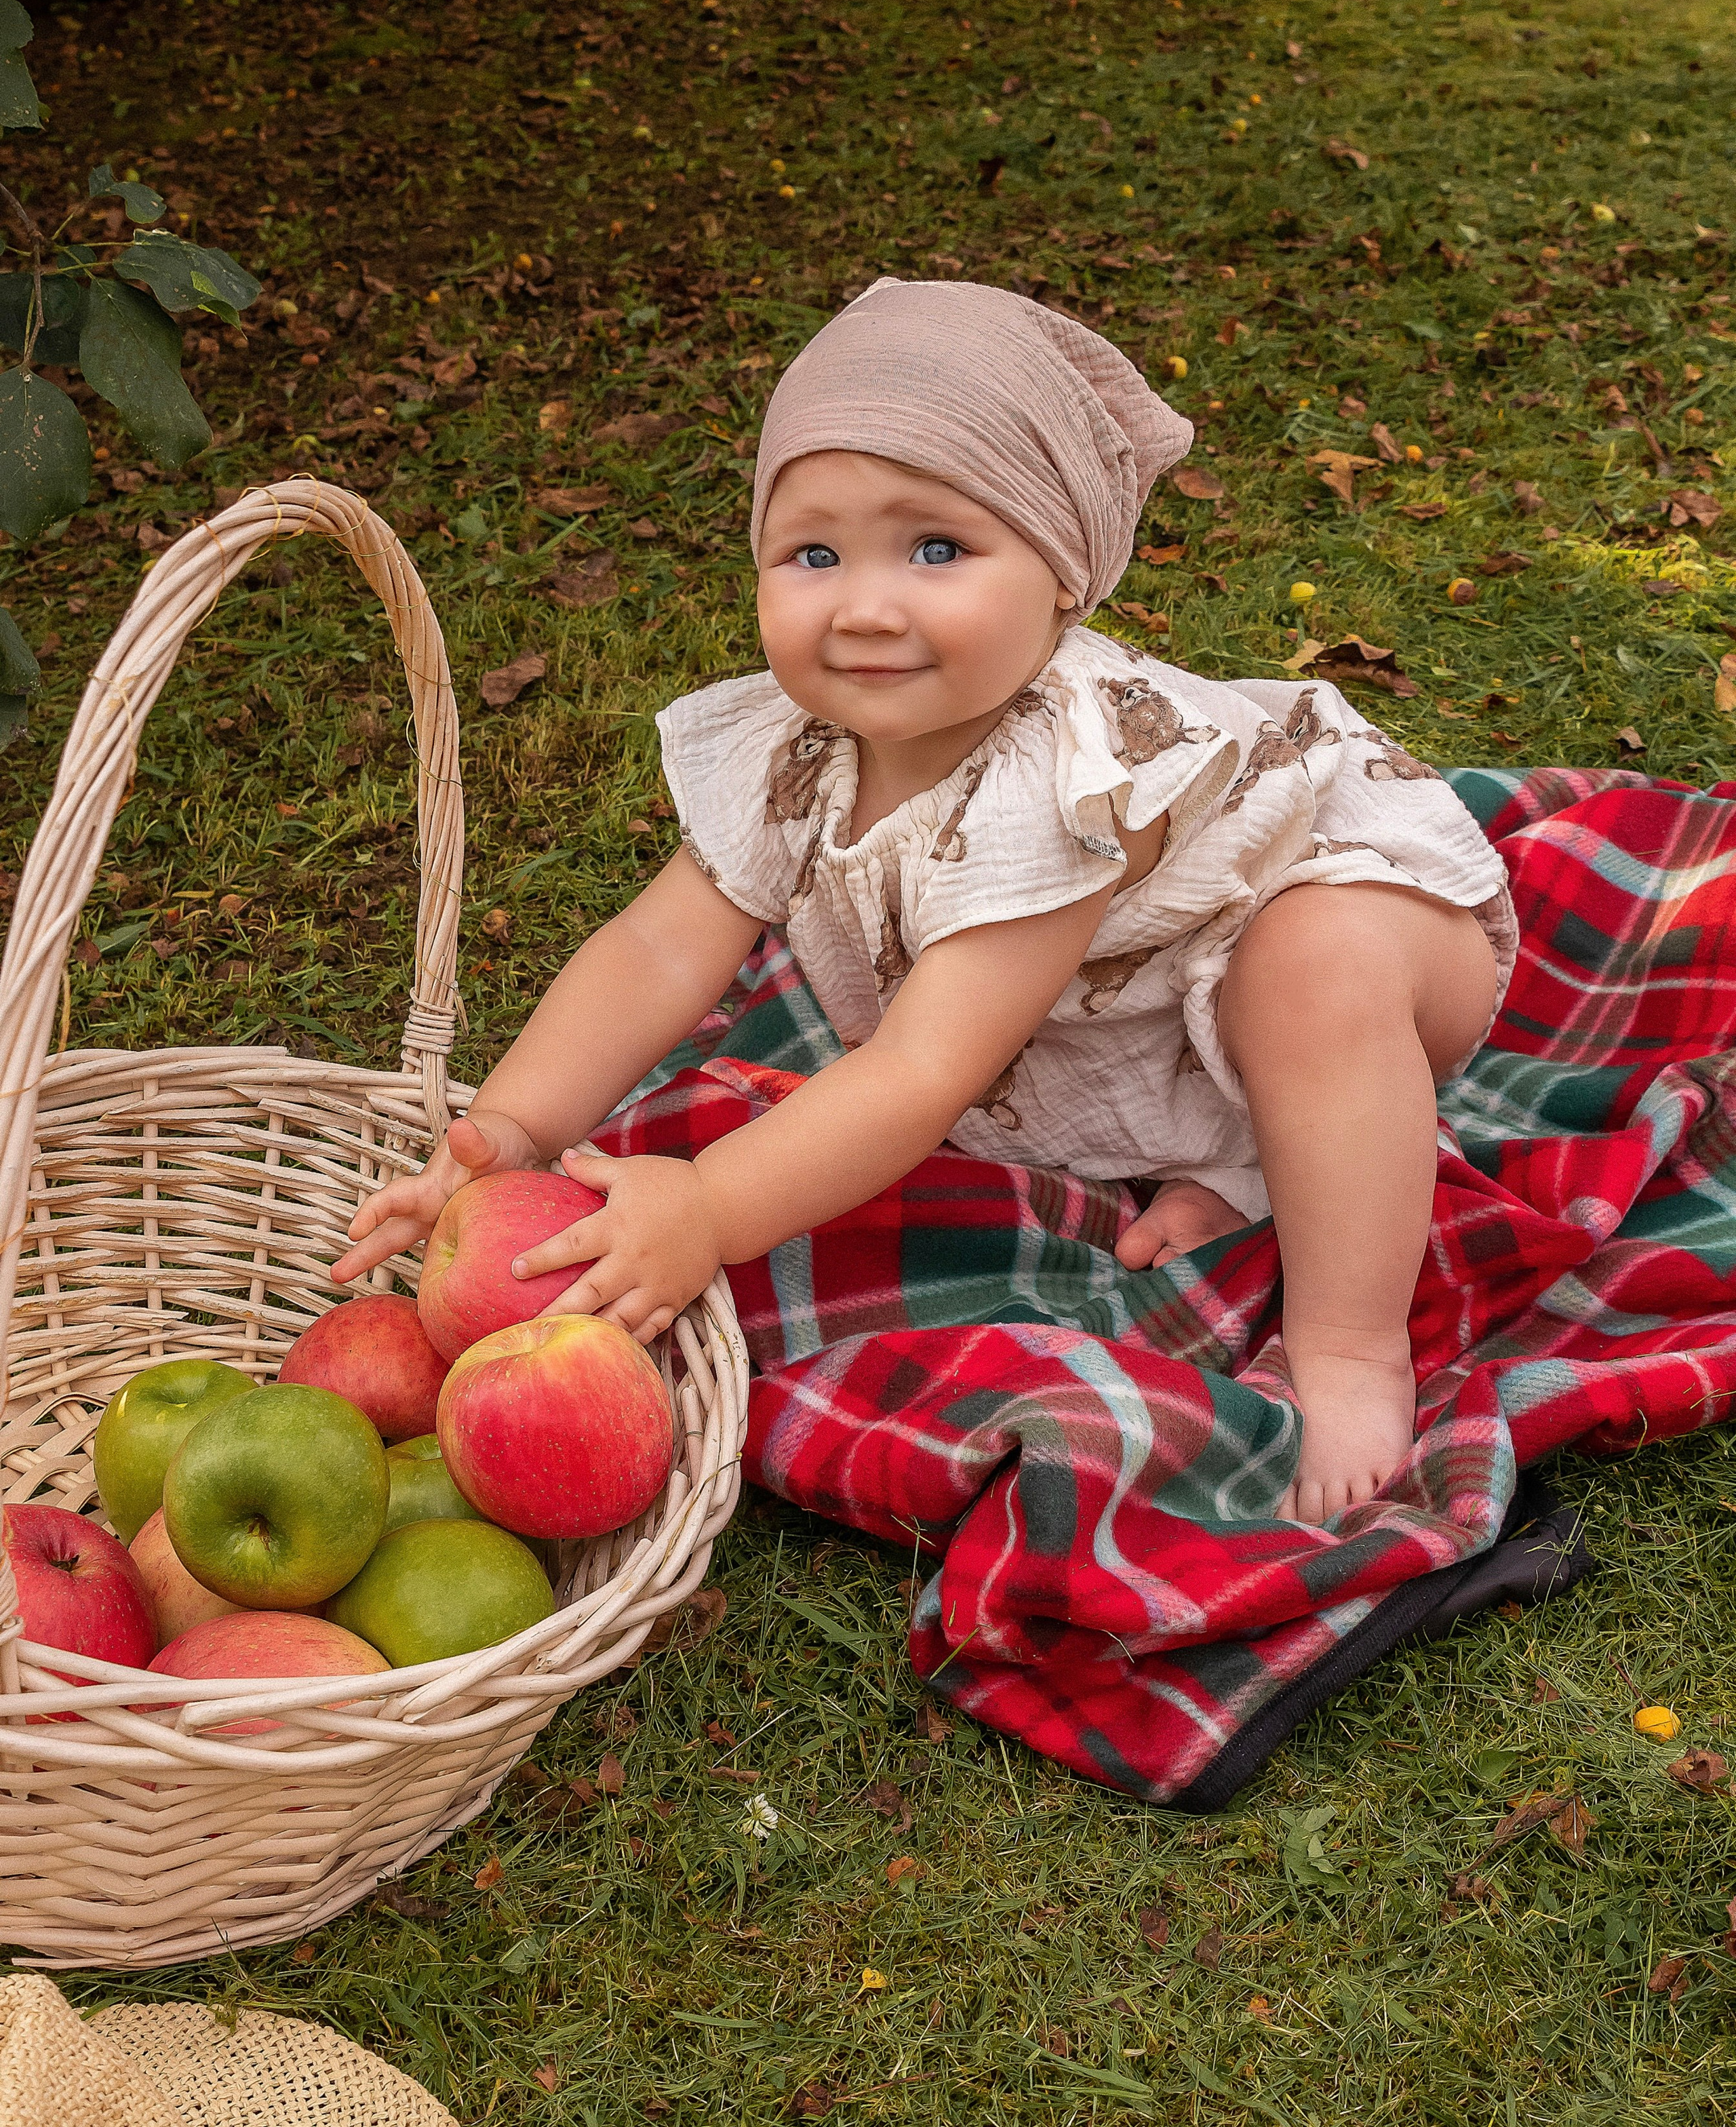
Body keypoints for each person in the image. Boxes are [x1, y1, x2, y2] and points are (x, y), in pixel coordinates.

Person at [334, 279, 1514, 1524]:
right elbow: (654, 951)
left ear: (1063, 575)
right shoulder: (793, 747)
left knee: (1309, 970)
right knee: (1210, 1010)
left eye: (938, 548)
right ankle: (1237, 1158)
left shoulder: (1060, 766)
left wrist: (713, 1205)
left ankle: (1351, 1342)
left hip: (1366, 934)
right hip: (1138, 1007)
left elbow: (920, 1070)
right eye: (814, 554)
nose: (867, 605)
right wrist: (512, 1131)